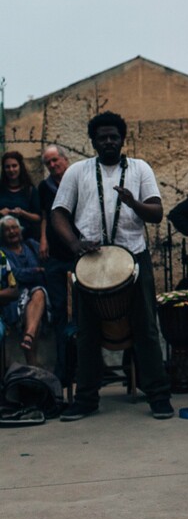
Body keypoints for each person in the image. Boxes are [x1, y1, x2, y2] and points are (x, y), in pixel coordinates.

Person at [51, 111, 173, 421]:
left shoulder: (139, 168)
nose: (108, 141)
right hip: (90, 260)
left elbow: (157, 212)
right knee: (87, 332)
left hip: (133, 257)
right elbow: (58, 214)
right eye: (102, 137)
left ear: (122, 139)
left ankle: (158, 395)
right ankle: (86, 398)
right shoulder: (77, 171)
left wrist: (133, 203)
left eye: (114, 136)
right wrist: (75, 244)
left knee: (146, 328)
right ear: (93, 141)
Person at [38, 145, 77, 385]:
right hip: (55, 255)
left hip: (76, 253)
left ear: (64, 159)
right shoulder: (45, 187)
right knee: (59, 309)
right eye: (48, 163)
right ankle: (63, 367)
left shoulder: (76, 179)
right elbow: (45, 215)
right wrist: (43, 239)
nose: (53, 165)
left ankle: (84, 366)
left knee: (82, 310)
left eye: (55, 161)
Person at [0, 215, 50, 367]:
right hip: (16, 300)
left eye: (14, 227)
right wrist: (36, 271)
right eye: (7, 230)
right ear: (2, 235)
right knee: (36, 303)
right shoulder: (2, 253)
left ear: (20, 230)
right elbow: (13, 275)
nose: (11, 232)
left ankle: (28, 336)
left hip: (36, 294)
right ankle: (30, 341)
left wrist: (30, 273)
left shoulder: (32, 245)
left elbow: (46, 270)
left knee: (39, 292)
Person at [0, 151, 41, 241]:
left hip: (25, 240)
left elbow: (38, 217)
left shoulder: (30, 190)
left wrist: (23, 213)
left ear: (20, 167)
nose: (11, 170)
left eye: (14, 166)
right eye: (7, 167)